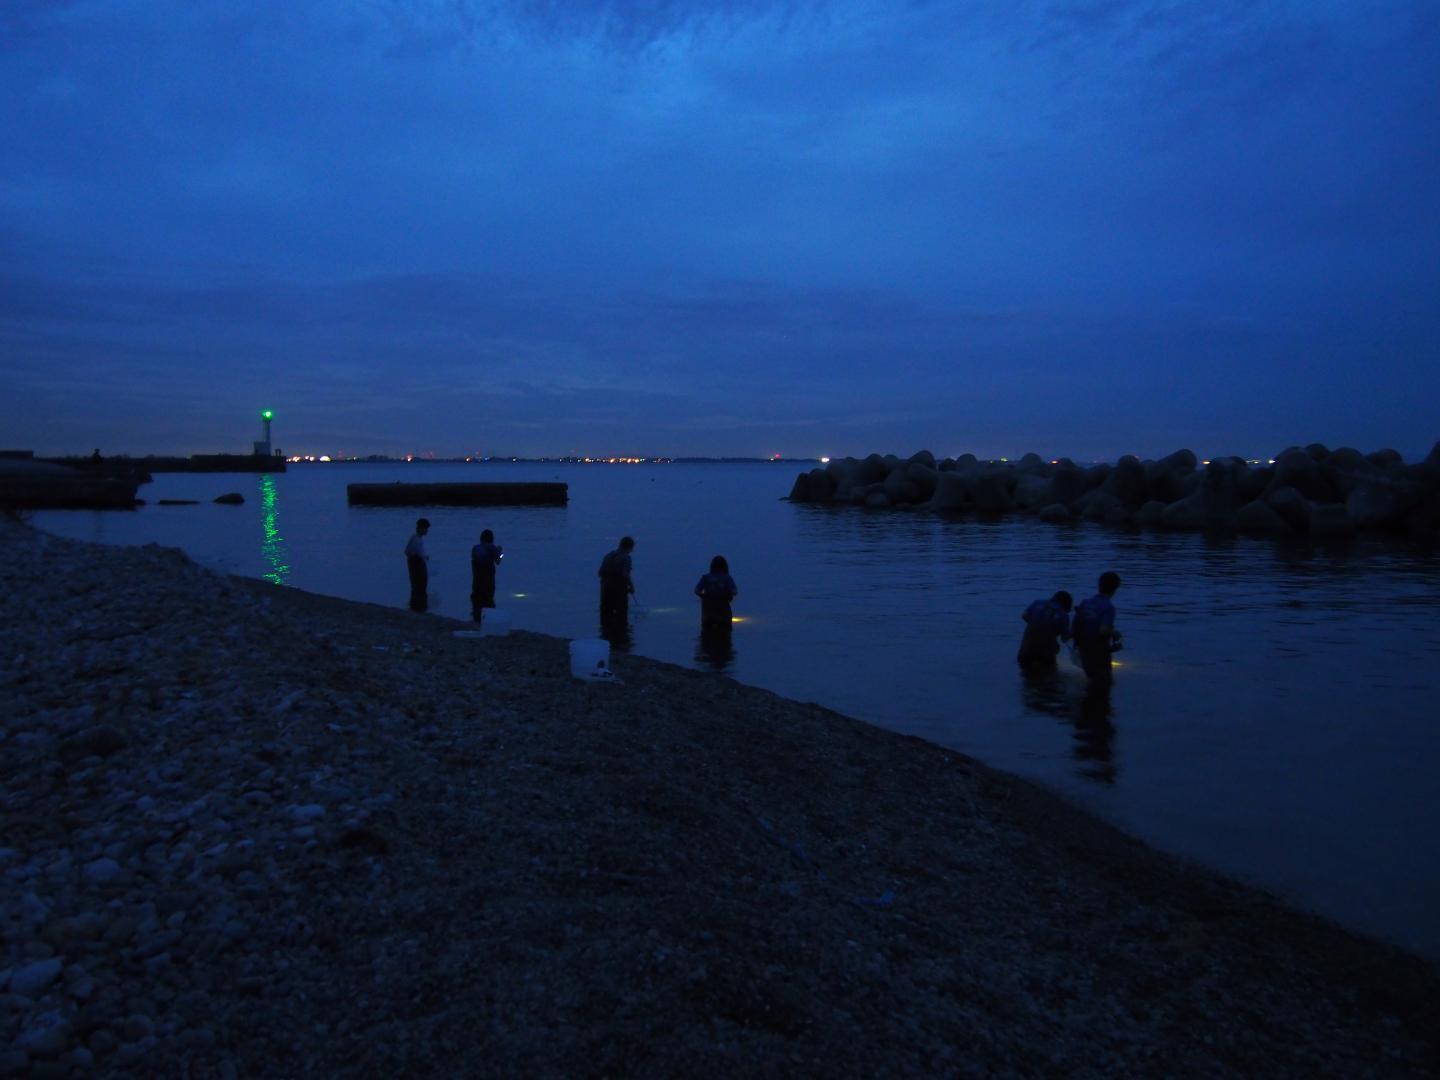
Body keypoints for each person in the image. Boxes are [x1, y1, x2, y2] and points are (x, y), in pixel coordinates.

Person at [1072, 571, 1122, 682]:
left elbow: (1076, 624)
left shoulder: (1085, 603)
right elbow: (1103, 630)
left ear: (1099, 584)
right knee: (1103, 684)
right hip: (1098, 652)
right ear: (1115, 589)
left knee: (1090, 680)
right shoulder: (1108, 607)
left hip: (1083, 649)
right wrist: (1114, 634)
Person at [1017, 590, 1072, 669]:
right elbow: (1065, 638)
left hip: (1025, 652)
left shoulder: (1037, 603)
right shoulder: (1063, 615)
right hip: (1045, 656)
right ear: (1066, 605)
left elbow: (1024, 616)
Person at [598, 536, 636, 629]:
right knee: (621, 617)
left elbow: (599, 572)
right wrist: (631, 586)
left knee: (605, 616)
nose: (631, 551)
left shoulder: (608, 555)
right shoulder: (626, 558)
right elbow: (625, 574)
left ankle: (605, 638)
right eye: (632, 549)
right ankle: (621, 639)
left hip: (605, 590)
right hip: (618, 592)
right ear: (629, 547)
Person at [694, 555, 739, 630]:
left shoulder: (706, 578)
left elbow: (696, 590)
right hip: (723, 615)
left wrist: (704, 596)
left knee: (706, 636)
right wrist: (727, 595)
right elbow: (735, 591)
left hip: (708, 614)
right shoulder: (727, 578)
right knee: (725, 637)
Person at [470, 528, 503, 617]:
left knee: (477, 602)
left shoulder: (475, 548)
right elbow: (498, 561)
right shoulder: (492, 548)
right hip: (488, 581)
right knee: (489, 602)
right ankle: (488, 621)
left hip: (476, 580)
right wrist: (500, 552)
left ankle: (476, 619)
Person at [404, 518, 431, 612]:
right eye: (425, 529)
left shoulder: (416, 538)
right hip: (417, 564)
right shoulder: (416, 539)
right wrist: (420, 557)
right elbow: (409, 552)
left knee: (418, 586)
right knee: (419, 585)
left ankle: (416, 606)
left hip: (417, 563)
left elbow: (408, 551)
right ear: (421, 528)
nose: (427, 531)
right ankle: (419, 607)